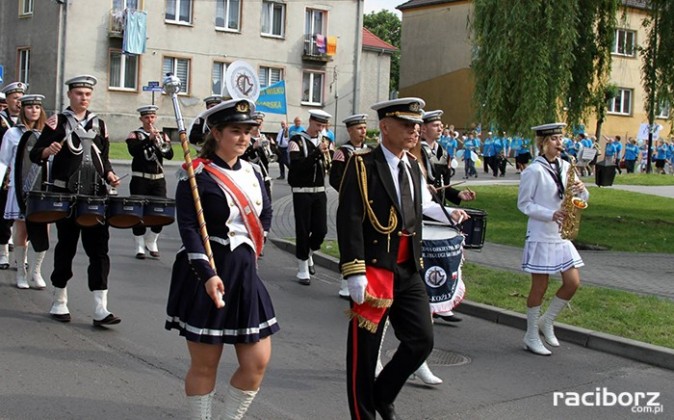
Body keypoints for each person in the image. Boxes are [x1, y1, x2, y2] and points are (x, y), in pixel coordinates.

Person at [337, 97, 468, 420]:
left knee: (421, 341)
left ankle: (382, 394)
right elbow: (349, 219)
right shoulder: (362, 164)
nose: (415, 130)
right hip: (375, 268)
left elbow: (421, 204)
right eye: (407, 125)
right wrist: (354, 272)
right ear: (385, 127)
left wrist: (449, 212)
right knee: (364, 356)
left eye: (417, 125)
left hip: (409, 268)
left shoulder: (411, 164)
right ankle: (363, 413)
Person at [165, 98, 278, 419]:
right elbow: (189, 228)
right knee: (205, 364)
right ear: (215, 133)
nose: (244, 138)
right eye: (235, 131)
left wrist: (256, 245)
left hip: (244, 273)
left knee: (257, 361)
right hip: (207, 273)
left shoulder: (255, 170)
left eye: (248, 131)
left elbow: (266, 213)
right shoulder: (197, 175)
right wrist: (207, 273)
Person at [29, 75, 122, 326]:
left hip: (95, 196)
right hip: (67, 197)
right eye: (79, 93)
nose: (84, 98)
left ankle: (100, 308)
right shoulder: (56, 122)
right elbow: (35, 153)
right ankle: (59, 300)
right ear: (70, 95)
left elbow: (104, 157)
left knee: (99, 251)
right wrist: (48, 151)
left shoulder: (99, 124)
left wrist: (111, 174)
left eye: (88, 94)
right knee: (66, 248)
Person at [517, 122, 589, 356]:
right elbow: (524, 204)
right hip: (540, 235)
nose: (560, 143)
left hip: (560, 235)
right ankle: (530, 335)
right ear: (543, 143)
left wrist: (581, 189)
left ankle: (547, 321)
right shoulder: (533, 171)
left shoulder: (567, 166)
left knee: (573, 282)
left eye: (561, 139)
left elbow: (583, 197)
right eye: (555, 139)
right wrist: (551, 213)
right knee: (540, 285)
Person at [0, 94, 50, 289]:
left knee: (43, 228)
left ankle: (36, 271)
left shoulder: (47, 132)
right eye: (29, 107)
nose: (34, 111)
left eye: (37, 107)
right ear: (23, 110)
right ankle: (20, 271)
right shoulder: (12, 133)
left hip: (42, 188)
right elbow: (3, 161)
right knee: (21, 229)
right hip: (19, 186)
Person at [329, 113, 370, 298]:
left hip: (369, 206)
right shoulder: (342, 152)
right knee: (349, 242)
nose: (363, 132)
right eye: (359, 128)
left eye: (364, 128)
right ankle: (345, 281)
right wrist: (351, 193)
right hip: (350, 205)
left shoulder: (370, 151)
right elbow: (335, 179)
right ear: (350, 130)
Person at [288, 109, 331, 285]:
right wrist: (316, 153)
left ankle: (310, 253)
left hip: (320, 190)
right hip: (301, 191)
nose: (320, 129)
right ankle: (302, 268)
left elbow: (328, 166)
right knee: (303, 230)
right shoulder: (296, 140)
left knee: (321, 230)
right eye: (317, 125)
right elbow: (297, 167)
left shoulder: (326, 141)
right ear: (310, 122)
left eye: (323, 126)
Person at [125, 105, 174, 259]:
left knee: (160, 211)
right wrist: (148, 140)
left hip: (158, 179)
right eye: (146, 117)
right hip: (140, 179)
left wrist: (159, 144)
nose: (150, 120)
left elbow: (170, 155)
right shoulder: (134, 135)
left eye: (152, 117)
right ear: (141, 119)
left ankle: (152, 240)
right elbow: (134, 151)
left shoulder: (163, 135)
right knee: (138, 213)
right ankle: (139, 245)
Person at [0, 82, 27, 269]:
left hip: (22, 174)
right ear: (7, 100)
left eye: (21, 99)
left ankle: (20, 253)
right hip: (3, 171)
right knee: (2, 213)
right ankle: (3, 252)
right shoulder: (1, 120)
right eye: (15, 98)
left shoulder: (27, 122)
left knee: (22, 216)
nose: (18, 102)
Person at [241, 111, 272, 201]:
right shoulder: (245, 138)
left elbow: (274, 157)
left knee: (267, 204)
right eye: (256, 123)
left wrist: (272, 147)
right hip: (250, 177)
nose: (258, 126)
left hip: (265, 176)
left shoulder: (266, 137)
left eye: (260, 123)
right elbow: (241, 156)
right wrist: (253, 147)